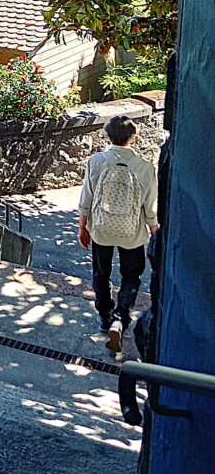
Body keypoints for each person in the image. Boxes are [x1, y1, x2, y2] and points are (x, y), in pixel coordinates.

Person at [78, 114, 158, 355]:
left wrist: (83, 227)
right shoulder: (144, 167)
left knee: (101, 273)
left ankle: (105, 316)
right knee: (131, 277)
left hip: (101, 228)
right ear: (133, 137)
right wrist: (153, 234)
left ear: (108, 136)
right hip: (132, 232)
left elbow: (86, 198)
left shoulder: (96, 161)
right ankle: (120, 319)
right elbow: (150, 208)